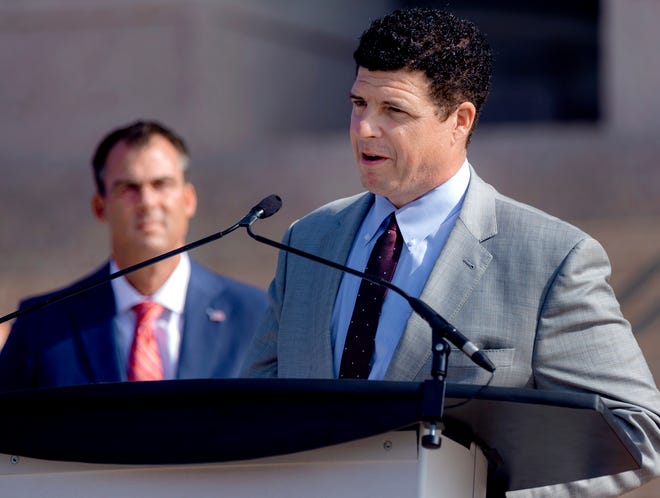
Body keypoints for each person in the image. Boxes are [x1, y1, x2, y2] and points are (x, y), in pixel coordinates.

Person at [242, 8, 660, 497]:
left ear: (460, 120)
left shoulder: (552, 258)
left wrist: (479, 492)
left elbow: (638, 433)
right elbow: (256, 406)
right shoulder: (307, 240)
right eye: (359, 103)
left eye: (393, 111)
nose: (364, 129)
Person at [0, 120, 267, 389]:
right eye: (128, 188)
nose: (148, 202)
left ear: (188, 199)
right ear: (99, 206)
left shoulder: (256, 316)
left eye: (161, 184)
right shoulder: (42, 325)